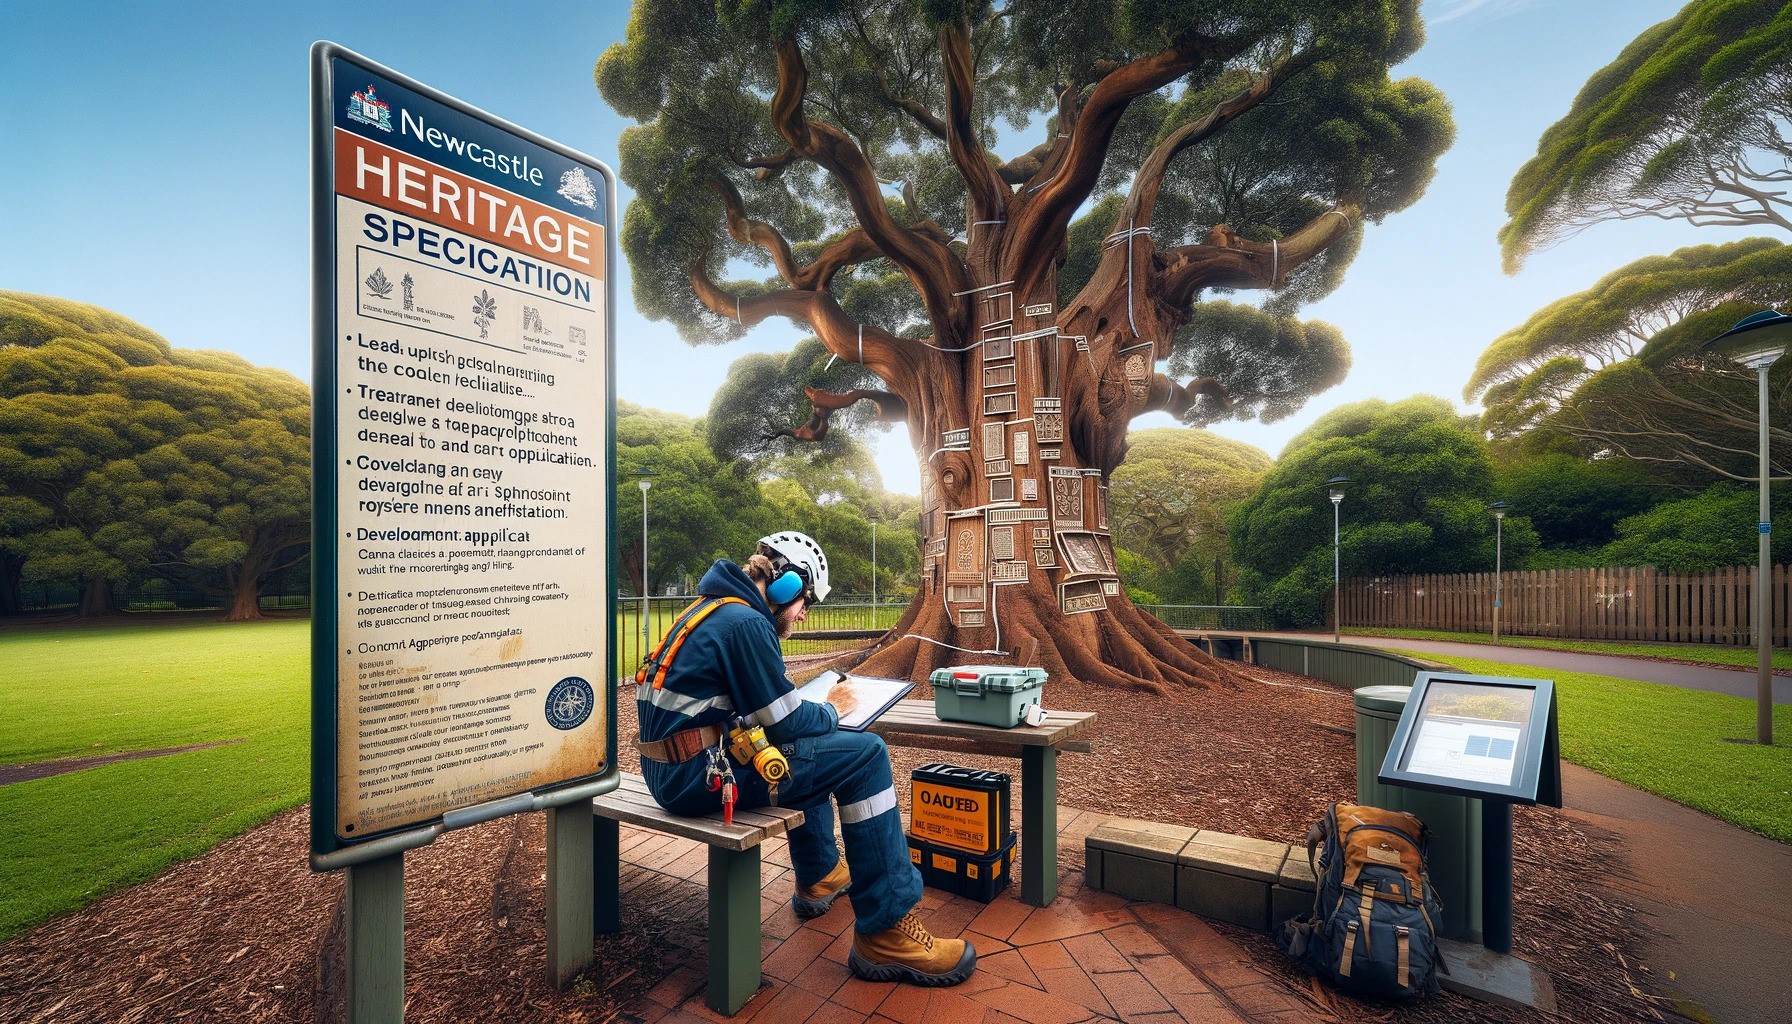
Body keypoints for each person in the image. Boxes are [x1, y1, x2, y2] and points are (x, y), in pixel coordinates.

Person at [634, 531, 976, 986]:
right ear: (786, 585)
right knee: (867, 754)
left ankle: (819, 875)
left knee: (816, 756)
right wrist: (834, 707)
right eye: (805, 599)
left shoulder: (709, 609)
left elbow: (764, 716)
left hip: (670, 770)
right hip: (696, 778)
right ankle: (886, 929)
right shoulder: (746, 624)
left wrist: (811, 716)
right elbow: (787, 723)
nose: (803, 613)